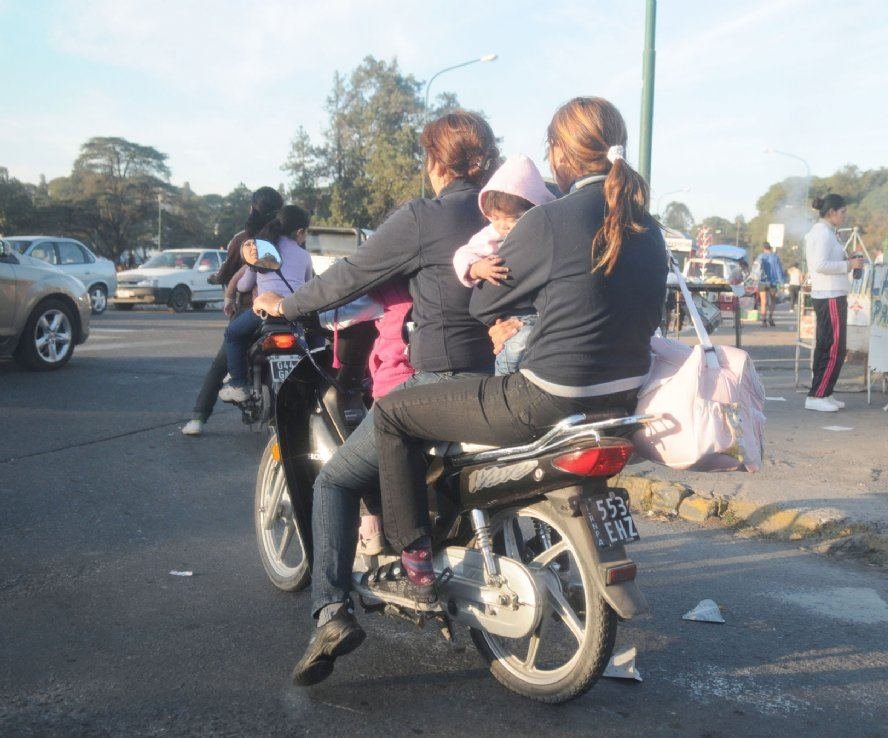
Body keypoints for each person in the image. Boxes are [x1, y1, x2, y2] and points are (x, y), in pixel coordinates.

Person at [369, 96, 667, 619]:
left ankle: (413, 561)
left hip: (544, 396)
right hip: (619, 400)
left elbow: (484, 300)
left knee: (395, 413)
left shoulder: (552, 219)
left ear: (561, 153)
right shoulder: (648, 225)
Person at [251, 111, 499, 687]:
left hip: (436, 383)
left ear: (436, 161)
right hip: (495, 381)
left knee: (336, 478)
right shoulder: (503, 217)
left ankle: (331, 613)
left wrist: (285, 307)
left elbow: (351, 275)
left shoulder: (424, 217)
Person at [181, 186, 283, 436]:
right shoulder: (289, 240)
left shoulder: (244, 240)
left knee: (220, 364)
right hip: (288, 311)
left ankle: (199, 417)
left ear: (252, 208)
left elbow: (231, 274)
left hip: (252, 312)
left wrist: (222, 286)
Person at [451, 153, 556, 373]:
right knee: (515, 346)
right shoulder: (490, 237)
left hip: (540, 313)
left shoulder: (546, 235)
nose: (504, 225)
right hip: (512, 314)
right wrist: (477, 268)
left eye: (514, 218)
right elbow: (463, 254)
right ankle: (503, 383)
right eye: (496, 218)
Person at [218, 205, 313, 403]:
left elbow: (244, 286)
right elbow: (307, 285)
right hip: (294, 312)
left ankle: (238, 384)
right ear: (300, 232)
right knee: (315, 342)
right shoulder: (304, 255)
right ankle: (317, 380)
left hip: (266, 312)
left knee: (233, 334)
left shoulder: (261, 250)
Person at [804, 194, 863, 412]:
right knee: (833, 347)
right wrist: (849, 265)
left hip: (830, 293)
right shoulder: (822, 233)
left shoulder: (827, 233)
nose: (844, 216)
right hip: (829, 294)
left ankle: (824, 392)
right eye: (842, 212)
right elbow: (819, 264)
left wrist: (848, 261)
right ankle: (818, 395)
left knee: (828, 345)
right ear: (832, 212)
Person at [758, 242, 783, 326]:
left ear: (764, 248)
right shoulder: (775, 257)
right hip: (773, 282)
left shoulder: (760, 257)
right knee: (773, 300)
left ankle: (763, 321)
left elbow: (756, 270)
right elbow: (779, 270)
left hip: (762, 281)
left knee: (763, 301)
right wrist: (781, 282)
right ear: (770, 248)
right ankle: (770, 317)